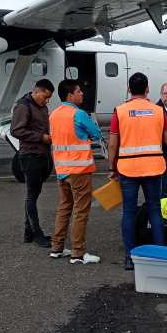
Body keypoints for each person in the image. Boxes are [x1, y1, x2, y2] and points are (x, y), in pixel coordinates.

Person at [109, 72, 167, 271]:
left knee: (129, 212)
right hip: (154, 169)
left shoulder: (119, 111)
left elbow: (113, 144)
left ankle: (130, 257)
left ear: (129, 89)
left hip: (128, 169)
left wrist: (113, 168)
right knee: (155, 210)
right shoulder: (158, 111)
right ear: (147, 90)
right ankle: (160, 254)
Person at [49, 79, 102, 264]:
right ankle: (78, 253)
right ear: (70, 95)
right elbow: (96, 133)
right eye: (79, 91)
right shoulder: (78, 114)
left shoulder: (54, 114)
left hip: (61, 169)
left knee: (64, 208)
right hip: (79, 169)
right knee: (81, 211)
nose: (82, 94)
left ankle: (57, 247)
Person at [10, 79, 55, 247]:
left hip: (41, 154)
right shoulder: (24, 106)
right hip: (30, 156)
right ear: (36, 91)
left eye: (49, 98)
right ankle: (36, 234)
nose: (47, 100)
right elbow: (16, 130)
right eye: (45, 96)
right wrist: (41, 137)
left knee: (33, 195)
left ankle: (28, 232)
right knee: (31, 196)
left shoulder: (41, 107)